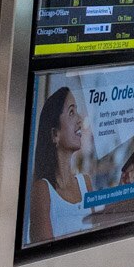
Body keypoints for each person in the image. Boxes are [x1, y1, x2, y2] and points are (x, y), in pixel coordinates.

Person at [28, 81, 92, 245]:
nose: (79, 119)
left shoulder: (86, 183)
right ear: (55, 134)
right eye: (72, 112)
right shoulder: (42, 190)